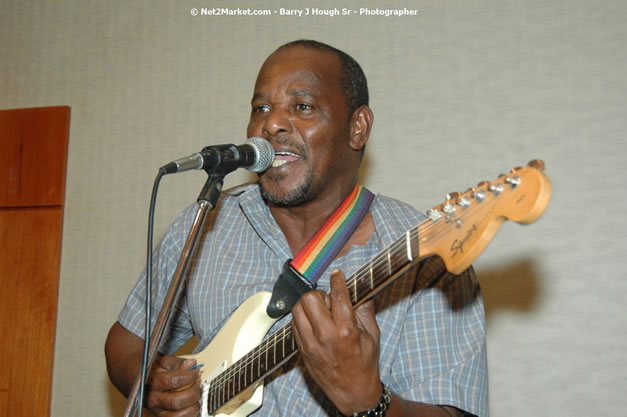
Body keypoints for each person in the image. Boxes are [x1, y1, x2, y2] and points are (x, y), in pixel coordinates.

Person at [105, 40, 488, 417]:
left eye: (302, 106)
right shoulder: (207, 223)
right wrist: (150, 381)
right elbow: (127, 339)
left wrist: (368, 401)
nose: (271, 123)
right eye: (261, 108)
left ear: (358, 127)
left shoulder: (424, 254)